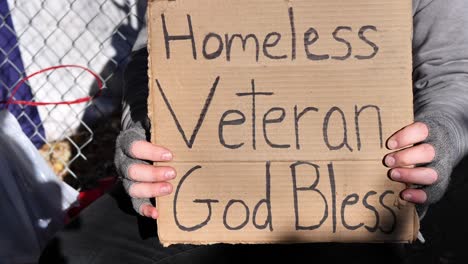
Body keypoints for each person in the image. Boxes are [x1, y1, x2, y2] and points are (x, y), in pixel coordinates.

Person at [40, 0, 468, 263]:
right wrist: (140, 135)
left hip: (351, 204)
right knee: (80, 256)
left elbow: (453, 67)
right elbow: (154, 51)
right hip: (199, 187)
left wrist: (440, 140)